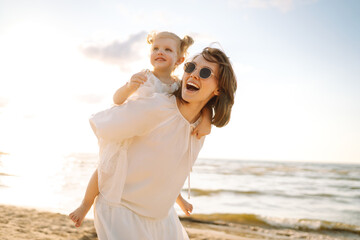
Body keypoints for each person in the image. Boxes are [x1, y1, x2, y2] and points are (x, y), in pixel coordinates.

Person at [83, 47, 237, 239]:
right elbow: (104, 126)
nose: (194, 75)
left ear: (218, 89)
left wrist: (206, 115)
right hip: (122, 210)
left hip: (162, 217)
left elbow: (167, 170)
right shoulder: (158, 107)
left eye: (205, 72)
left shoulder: (200, 128)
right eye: (190, 67)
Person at [69, 31, 207, 227]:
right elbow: (117, 100)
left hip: (154, 138)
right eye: (155, 48)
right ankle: (85, 204)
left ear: (180, 59)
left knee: (163, 169)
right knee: (107, 168)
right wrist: (128, 86)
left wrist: (205, 119)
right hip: (132, 132)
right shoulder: (144, 77)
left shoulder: (178, 85)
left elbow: (194, 106)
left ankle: (178, 199)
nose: (160, 52)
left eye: (167, 49)